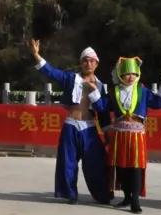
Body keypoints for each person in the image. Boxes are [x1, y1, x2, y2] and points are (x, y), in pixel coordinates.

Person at [29, 40, 112, 204]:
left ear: (97, 64)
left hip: (89, 128)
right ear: (81, 63)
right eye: (85, 60)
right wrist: (36, 54)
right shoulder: (70, 79)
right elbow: (51, 72)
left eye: (91, 61)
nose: (88, 63)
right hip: (71, 125)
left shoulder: (101, 86)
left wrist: (107, 131)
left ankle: (102, 194)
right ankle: (69, 194)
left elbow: (102, 111)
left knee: (95, 162)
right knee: (67, 162)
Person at [92, 56, 161, 214]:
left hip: (136, 135)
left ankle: (135, 200)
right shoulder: (114, 91)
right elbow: (101, 107)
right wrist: (93, 91)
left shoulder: (142, 90)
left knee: (135, 167)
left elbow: (157, 103)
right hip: (120, 134)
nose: (130, 77)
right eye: (127, 74)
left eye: (133, 74)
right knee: (121, 167)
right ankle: (127, 197)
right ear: (120, 74)